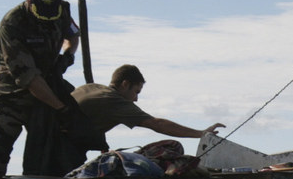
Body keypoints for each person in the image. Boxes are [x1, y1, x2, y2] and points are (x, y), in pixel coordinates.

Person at [0, 0, 81, 175]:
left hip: (46, 95)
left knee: (46, 160)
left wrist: (67, 57)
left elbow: (74, 35)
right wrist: (61, 109)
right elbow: (30, 80)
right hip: (12, 95)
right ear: (28, 0)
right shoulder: (12, 24)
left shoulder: (61, 10)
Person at [66, 65, 225, 155]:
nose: (136, 99)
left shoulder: (90, 88)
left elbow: (93, 123)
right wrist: (201, 134)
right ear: (125, 84)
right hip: (62, 149)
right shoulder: (114, 100)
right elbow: (157, 124)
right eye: (136, 92)